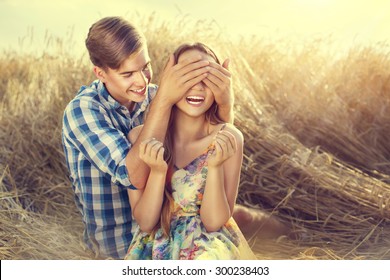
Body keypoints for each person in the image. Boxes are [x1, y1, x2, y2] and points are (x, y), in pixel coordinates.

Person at [62, 16, 290, 260]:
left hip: (179, 214)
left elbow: (214, 135)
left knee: (238, 216)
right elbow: (134, 176)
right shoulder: (84, 111)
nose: (142, 81)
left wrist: (225, 100)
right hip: (125, 241)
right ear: (100, 73)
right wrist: (165, 98)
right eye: (128, 74)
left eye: (145, 67)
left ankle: (294, 236)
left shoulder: (155, 95)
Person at [124, 42, 256, 260]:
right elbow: (146, 222)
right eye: (187, 76)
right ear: (169, 81)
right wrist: (157, 172)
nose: (198, 87)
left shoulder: (229, 137)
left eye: (207, 78)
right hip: (154, 247)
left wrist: (214, 167)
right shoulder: (140, 138)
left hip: (209, 247)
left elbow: (214, 222)